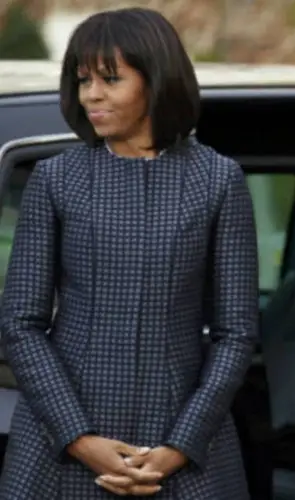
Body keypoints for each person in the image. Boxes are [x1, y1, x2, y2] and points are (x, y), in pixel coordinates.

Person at [0, 8, 257, 499]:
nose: (92, 95)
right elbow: (21, 324)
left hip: (184, 451)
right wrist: (79, 438)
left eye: (110, 79)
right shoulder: (57, 179)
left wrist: (179, 446)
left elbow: (236, 333)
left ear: (156, 80)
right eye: (83, 81)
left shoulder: (218, 180)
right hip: (63, 447)